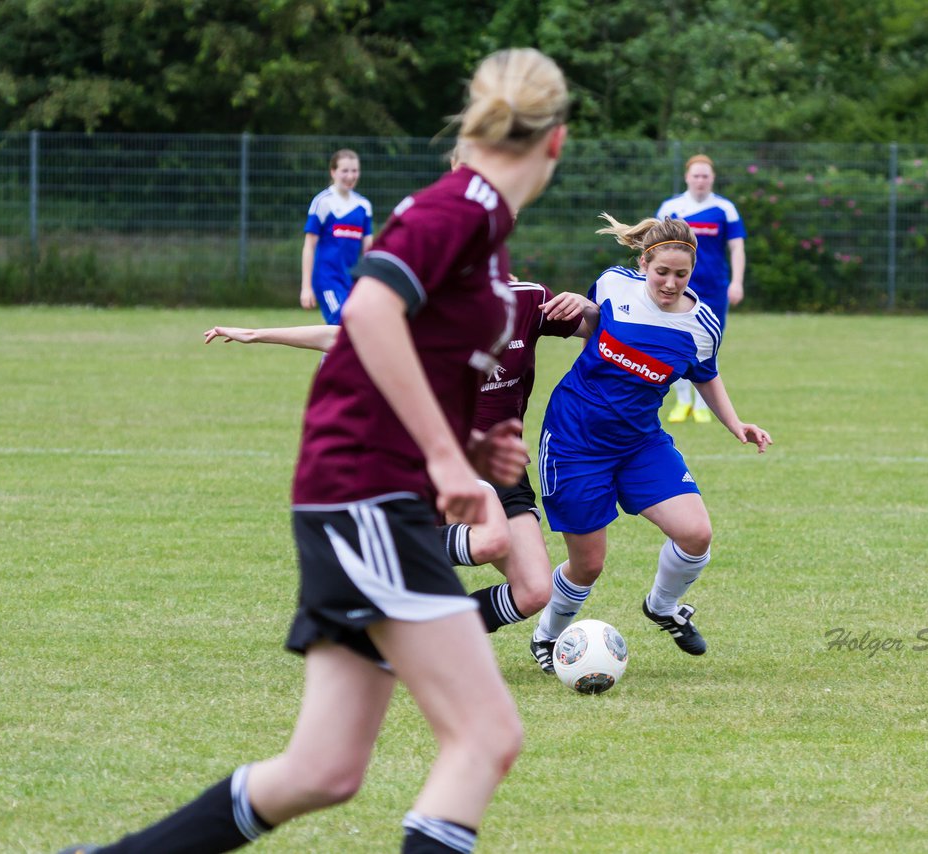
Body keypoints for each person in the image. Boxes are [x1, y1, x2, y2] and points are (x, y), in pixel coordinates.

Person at [58, 47, 569, 854]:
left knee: (323, 770)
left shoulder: (487, 232)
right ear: (557, 143)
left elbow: (407, 353)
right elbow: (366, 318)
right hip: (367, 491)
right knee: (485, 736)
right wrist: (444, 457)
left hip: (364, 492)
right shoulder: (457, 211)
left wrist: (470, 440)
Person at [202, 278, 588, 635]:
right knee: (488, 541)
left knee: (534, 591)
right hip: (440, 460)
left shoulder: (528, 299)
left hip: (502, 466)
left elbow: (605, 332)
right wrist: (258, 334)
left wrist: (588, 307)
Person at [527, 214, 771, 674]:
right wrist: (582, 305)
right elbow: (593, 322)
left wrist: (736, 424)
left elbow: (706, 373)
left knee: (696, 533)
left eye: (681, 274)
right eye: (662, 272)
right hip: (575, 440)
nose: (670, 283)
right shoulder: (614, 284)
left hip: (640, 443)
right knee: (588, 566)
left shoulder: (702, 322)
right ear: (644, 262)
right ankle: (547, 636)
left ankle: (662, 606)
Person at [655, 153, 746, 423]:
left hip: (715, 289)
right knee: (677, 343)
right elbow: (654, 247)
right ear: (687, 177)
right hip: (677, 289)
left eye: (705, 175)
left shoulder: (725, 209)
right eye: (696, 175)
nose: (700, 180)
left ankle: (702, 404)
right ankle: (683, 401)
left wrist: (737, 281)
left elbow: (737, 246)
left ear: (712, 178)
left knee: (708, 347)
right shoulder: (670, 208)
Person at [300, 149, 374, 324]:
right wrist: (306, 287)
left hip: (352, 280)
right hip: (327, 279)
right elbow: (309, 246)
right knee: (342, 324)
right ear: (333, 172)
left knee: (352, 330)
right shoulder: (323, 202)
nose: (350, 176)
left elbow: (368, 249)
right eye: (345, 171)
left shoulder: (363, 206)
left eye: (354, 171)